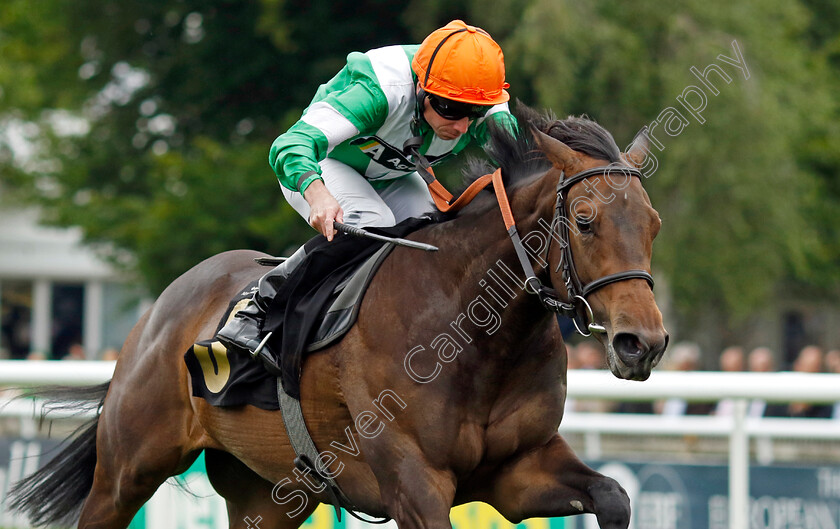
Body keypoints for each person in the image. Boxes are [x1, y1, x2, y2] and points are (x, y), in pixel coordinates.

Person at [217, 20, 516, 355]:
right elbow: (290, 144)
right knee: (371, 220)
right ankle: (260, 302)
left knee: (433, 239)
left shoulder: (484, 101)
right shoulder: (380, 90)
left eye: (473, 113)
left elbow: (529, 164)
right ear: (421, 87)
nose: (462, 125)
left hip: (391, 174)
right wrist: (317, 194)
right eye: (450, 109)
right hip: (325, 162)